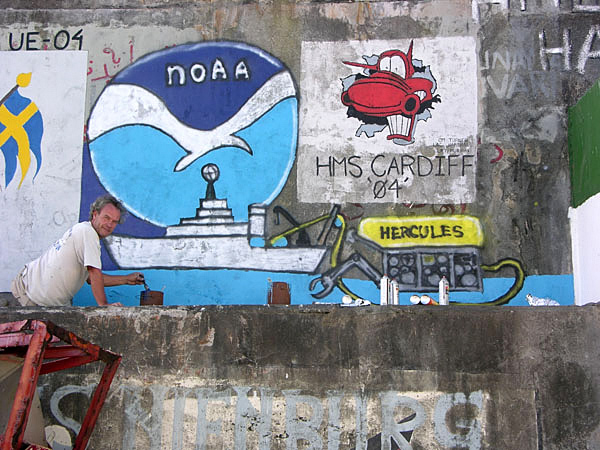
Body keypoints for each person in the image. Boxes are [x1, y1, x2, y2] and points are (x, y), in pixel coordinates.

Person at [9, 195, 145, 307]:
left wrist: (127, 279)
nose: (110, 224)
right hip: (29, 297)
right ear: (95, 215)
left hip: (39, 299)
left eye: (114, 221)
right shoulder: (88, 233)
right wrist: (104, 305)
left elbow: (92, 279)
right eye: (106, 218)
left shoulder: (84, 232)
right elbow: (94, 272)